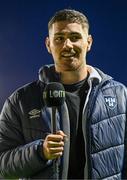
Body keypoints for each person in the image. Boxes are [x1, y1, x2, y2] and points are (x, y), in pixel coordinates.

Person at [0, 9, 127, 180]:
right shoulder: (21, 101)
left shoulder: (120, 95)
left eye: (75, 37)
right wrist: (40, 152)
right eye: (59, 38)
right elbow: (2, 166)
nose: (67, 45)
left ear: (88, 42)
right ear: (48, 44)